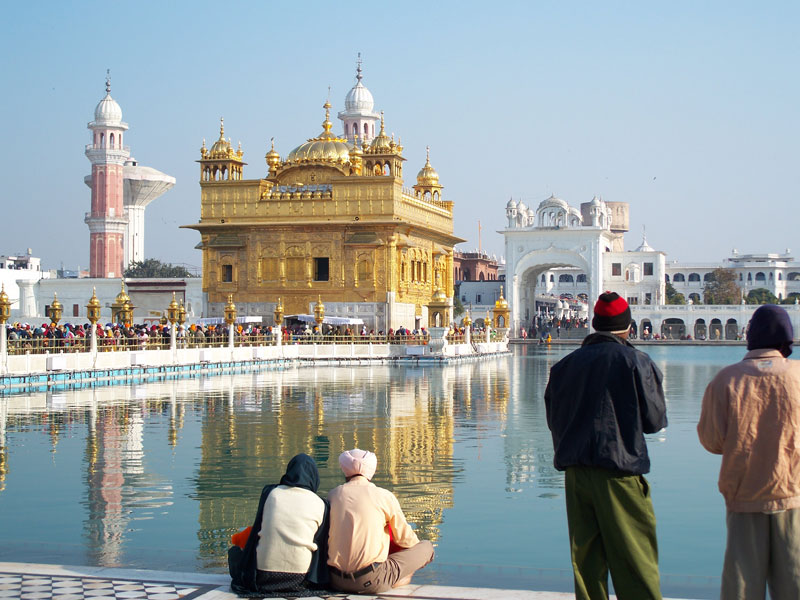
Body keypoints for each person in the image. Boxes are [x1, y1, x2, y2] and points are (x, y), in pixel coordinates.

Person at [544, 291, 668, 600]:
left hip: (576, 475)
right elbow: (654, 421)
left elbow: (554, 420)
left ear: (595, 325)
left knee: (586, 566)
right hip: (619, 473)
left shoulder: (563, 366)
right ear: (628, 328)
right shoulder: (636, 361)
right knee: (635, 559)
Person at [697, 304, 800, 599]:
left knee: (741, 590)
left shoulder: (726, 380)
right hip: (793, 496)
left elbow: (711, 441)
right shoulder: (797, 377)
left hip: (744, 499)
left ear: (750, 337)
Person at [327, 448, 434, 594]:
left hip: (334, 580)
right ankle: (395, 579)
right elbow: (407, 540)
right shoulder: (383, 496)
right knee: (426, 547)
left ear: (344, 468)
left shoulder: (333, 495)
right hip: (369, 581)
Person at [228, 453, 329, 596]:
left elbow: (256, 531)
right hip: (301, 578)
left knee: (235, 553)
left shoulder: (271, 493)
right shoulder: (320, 503)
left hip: (264, 576)